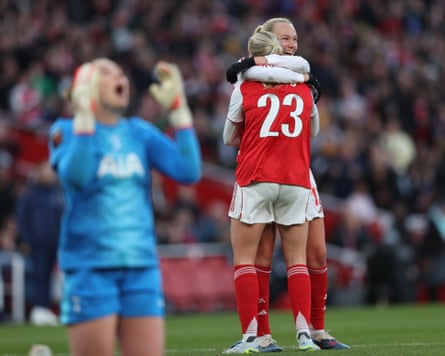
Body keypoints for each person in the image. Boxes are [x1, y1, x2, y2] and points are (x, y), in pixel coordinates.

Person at [48, 58, 201, 356]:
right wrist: (84, 117)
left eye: (121, 71)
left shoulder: (139, 132)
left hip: (141, 267)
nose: (120, 76)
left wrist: (179, 111)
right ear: (85, 87)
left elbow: (188, 170)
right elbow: (76, 177)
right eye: (106, 72)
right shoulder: (64, 131)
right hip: (90, 267)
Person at [226, 17, 349, 351]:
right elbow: (314, 130)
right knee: (269, 255)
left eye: (295, 38)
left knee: (315, 253)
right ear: (270, 41)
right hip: (289, 175)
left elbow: (229, 135)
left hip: (283, 172)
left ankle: (311, 330)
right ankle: (280, 333)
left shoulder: (253, 82)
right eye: (285, 37)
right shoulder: (300, 84)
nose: (293, 43)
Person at [15, 160, 65, 326]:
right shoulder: (30, 194)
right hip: (37, 243)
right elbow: (22, 219)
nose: (49, 174)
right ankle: (39, 309)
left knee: (55, 277)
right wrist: (26, 240)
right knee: (40, 277)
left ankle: (53, 309)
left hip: (57, 242)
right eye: (45, 171)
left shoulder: (58, 192)